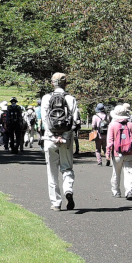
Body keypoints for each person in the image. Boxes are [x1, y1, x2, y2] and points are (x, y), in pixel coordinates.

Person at [40, 72, 80, 211]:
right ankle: (68, 190)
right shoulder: (71, 99)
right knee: (67, 168)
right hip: (66, 140)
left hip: (49, 139)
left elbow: (45, 120)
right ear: (65, 83)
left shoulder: (46, 98)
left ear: (52, 83)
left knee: (52, 172)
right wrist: (64, 136)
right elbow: (74, 121)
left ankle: (56, 202)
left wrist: (53, 135)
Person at [106, 103, 132, 200]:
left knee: (116, 172)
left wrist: (108, 153)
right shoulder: (131, 124)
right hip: (130, 153)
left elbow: (110, 141)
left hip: (117, 153)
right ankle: (129, 191)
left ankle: (116, 191)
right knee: (129, 172)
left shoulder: (112, 125)